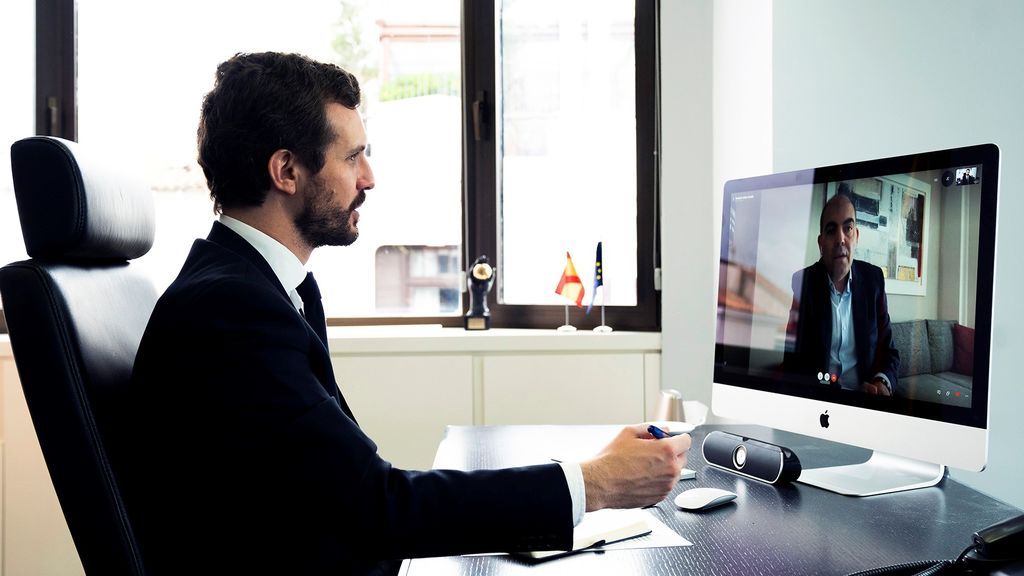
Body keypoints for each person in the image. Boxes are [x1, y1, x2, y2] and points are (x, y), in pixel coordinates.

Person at [117, 52, 690, 576]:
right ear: (287, 171)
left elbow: (347, 493)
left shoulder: (260, 288)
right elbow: (375, 507)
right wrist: (596, 483)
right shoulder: (231, 311)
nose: (368, 178)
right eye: (353, 156)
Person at [782, 187, 900, 395]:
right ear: (821, 243)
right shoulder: (804, 283)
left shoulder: (874, 281)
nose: (840, 239)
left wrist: (882, 383)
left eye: (848, 228)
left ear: (856, 236)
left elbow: (889, 352)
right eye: (831, 230)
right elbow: (793, 359)